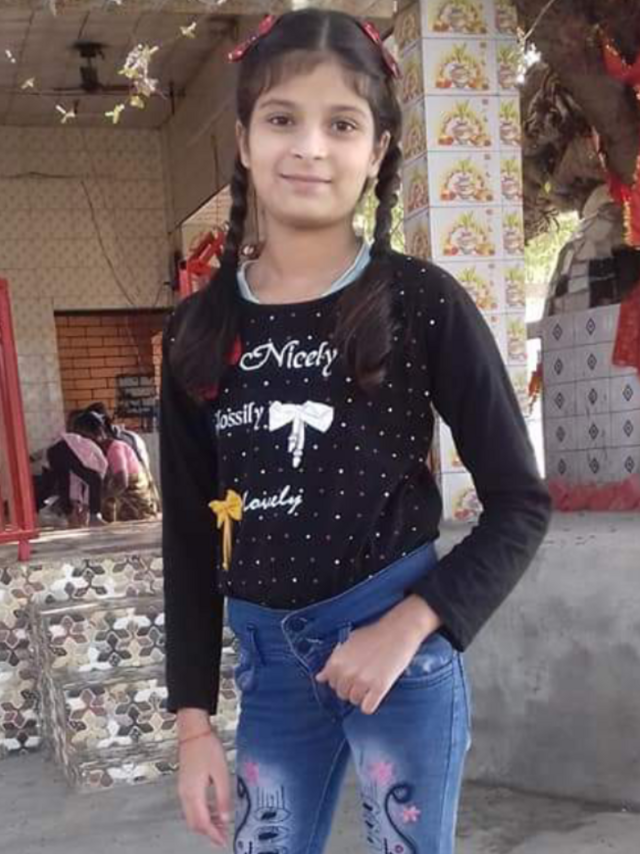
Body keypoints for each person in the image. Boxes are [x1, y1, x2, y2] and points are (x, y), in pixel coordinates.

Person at [160, 9, 552, 854]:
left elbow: (521, 505)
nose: (310, 147)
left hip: (397, 661)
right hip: (269, 673)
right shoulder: (197, 332)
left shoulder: (422, 305)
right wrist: (193, 725)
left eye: (341, 124)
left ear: (376, 152)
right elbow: (188, 537)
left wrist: (411, 624)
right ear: (243, 139)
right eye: (282, 119)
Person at [73, 411, 158, 522]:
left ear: (97, 433)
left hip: (135, 502)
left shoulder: (115, 448)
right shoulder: (96, 452)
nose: (81, 442)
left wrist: (98, 501)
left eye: (84, 437)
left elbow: (121, 482)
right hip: (121, 496)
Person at [33, 426, 108, 528]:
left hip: (53, 452)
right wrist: (86, 509)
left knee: (60, 484)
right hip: (64, 450)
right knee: (95, 480)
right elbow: (94, 482)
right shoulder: (100, 462)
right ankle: (93, 517)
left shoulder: (84, 452)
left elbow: (74, 482)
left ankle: (70, 517)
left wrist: (76, 505)